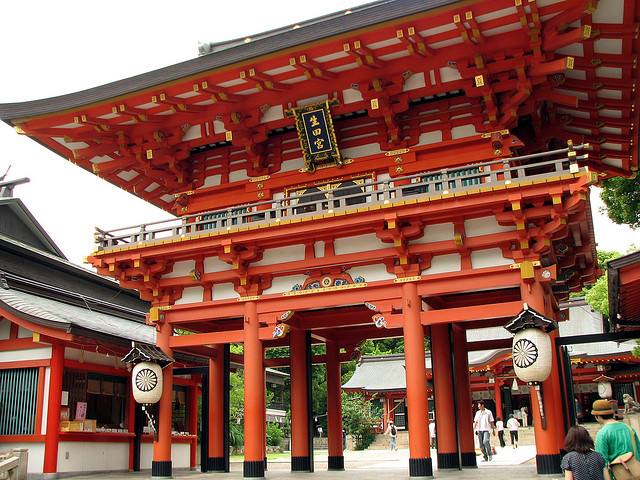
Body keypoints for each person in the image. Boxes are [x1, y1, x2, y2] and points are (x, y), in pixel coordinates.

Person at [592, 399, 640, 477]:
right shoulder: (629, 428)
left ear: (597, 417)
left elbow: (602, 464)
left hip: (618, 475)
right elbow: (639, 451)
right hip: (636, 473)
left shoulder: (602, 434)